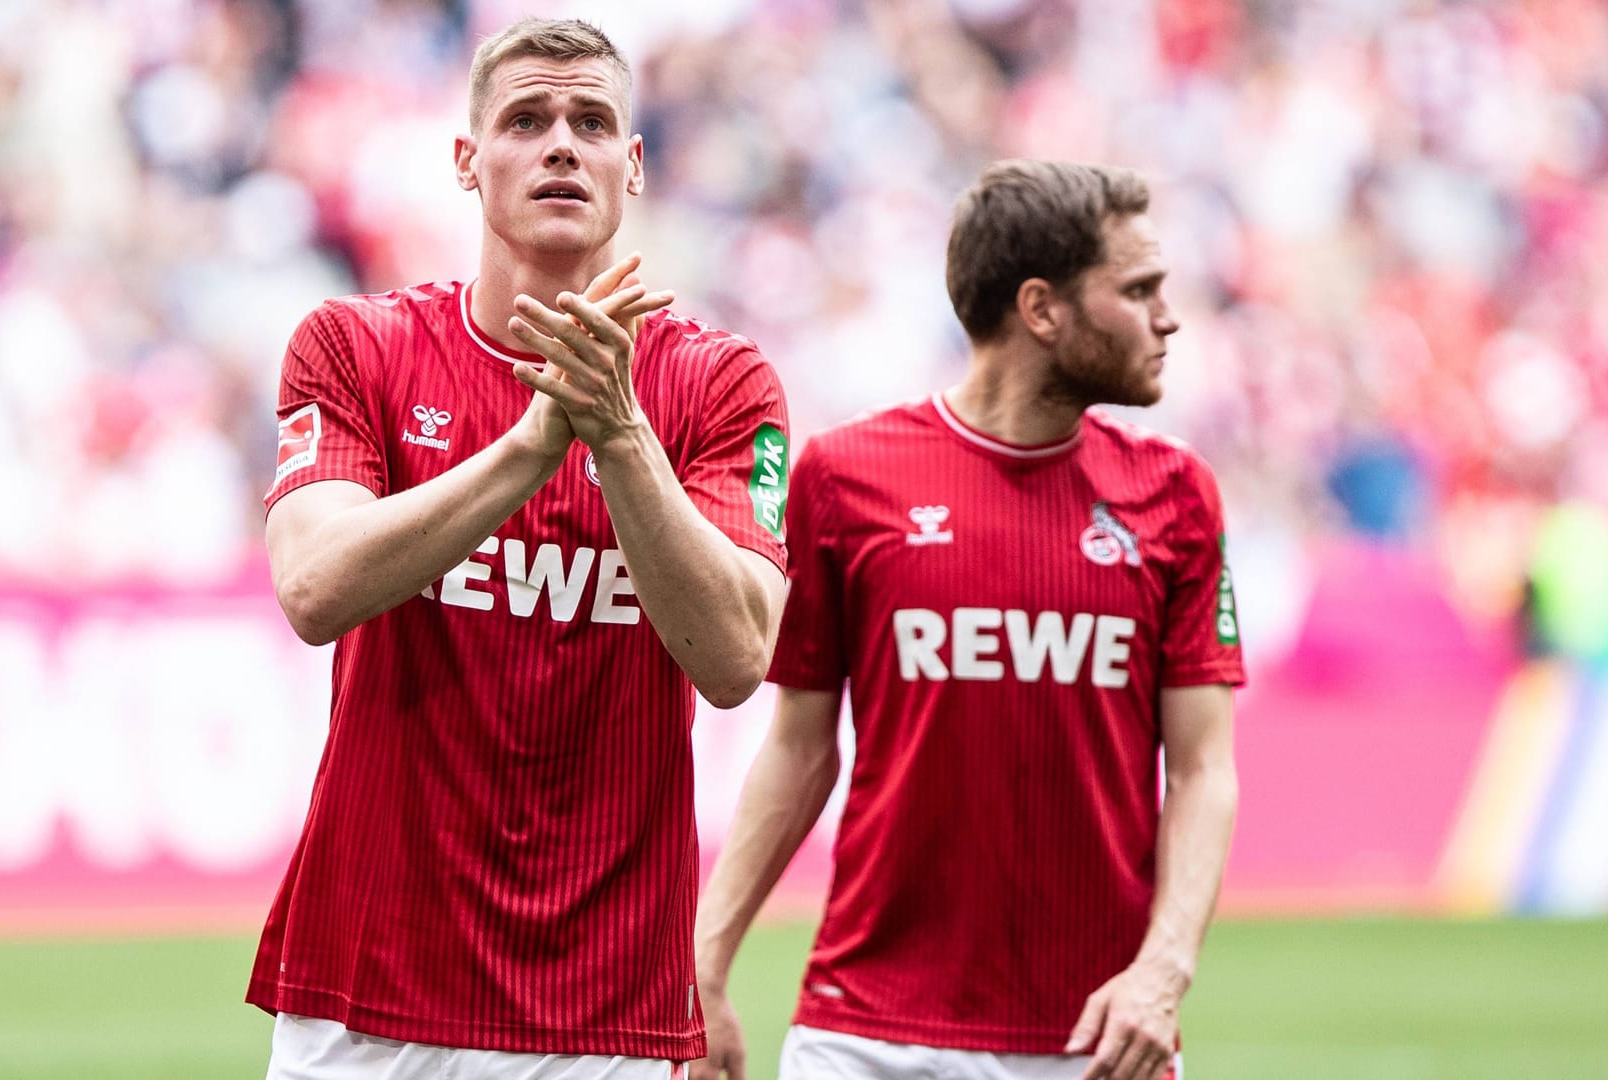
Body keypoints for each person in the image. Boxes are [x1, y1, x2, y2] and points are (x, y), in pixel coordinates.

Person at [249, 17, 790, 1079]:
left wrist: (618, 433)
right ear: (466, 159)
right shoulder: (357, 347)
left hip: (606, 1015)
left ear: (632, 167)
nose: (560, 144)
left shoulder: (721, 386)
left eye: (592, 122)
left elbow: (735, 659)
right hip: (368, 995)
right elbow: (313, 587)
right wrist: (539, 440)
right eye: (526, 119)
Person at [690, 159, 1244, 1080]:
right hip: (865, 1036)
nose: (1168, 315)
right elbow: (797, 748)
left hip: (1099, 1041)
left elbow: (1202, 768)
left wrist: (1162, 971)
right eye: (1138, 288)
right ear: (1042, 309)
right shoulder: (842, 478)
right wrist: (702, 966)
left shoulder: (1177, 495)